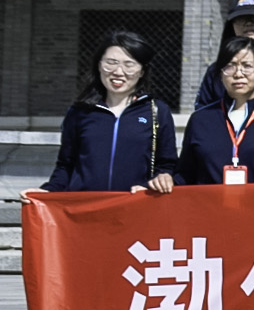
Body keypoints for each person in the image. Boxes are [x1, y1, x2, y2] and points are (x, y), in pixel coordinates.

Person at [47, 31, 175, 193]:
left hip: (135, 204)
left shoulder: (156, 111)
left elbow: (167, 166)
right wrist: (47, 191)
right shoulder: (80, 112)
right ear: (99, 65)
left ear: (142, 71)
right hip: (86, 205)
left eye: (129, 65)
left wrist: (156, 182)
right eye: (111, 63)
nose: (118, 72)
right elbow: (65, 166)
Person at [183, 39, 254, 187]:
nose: (238, 74)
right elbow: (185, 173)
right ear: (220, 73)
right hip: (210, 201)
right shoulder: (201, 119)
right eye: (230, 66)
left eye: (247, 66)